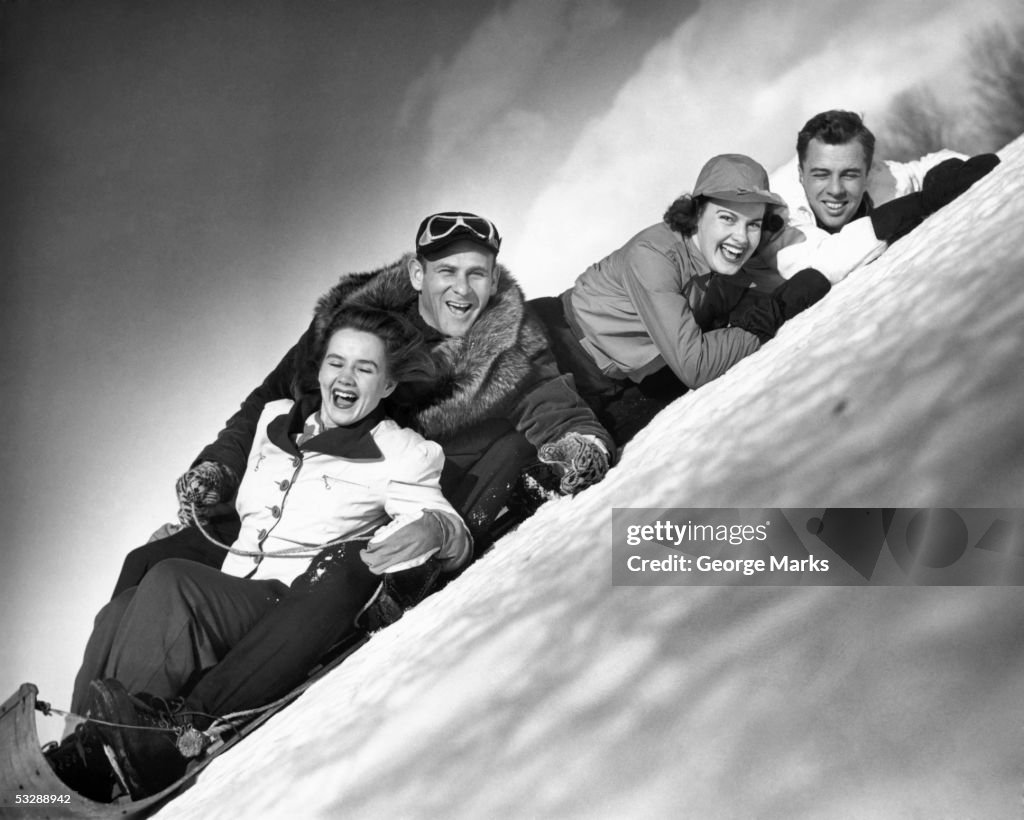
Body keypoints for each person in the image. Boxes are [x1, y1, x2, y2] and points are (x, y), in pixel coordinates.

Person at [47, 306, 473, 801]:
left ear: (388, 386)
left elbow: (448, 524)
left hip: (283, 602)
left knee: (173, 583)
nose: (347, 378)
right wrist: (196, 520)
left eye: (366, 368)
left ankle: (137, 753)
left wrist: (437, 529)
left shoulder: (401, 452)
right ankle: (77, 753)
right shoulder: (272, 422)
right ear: (319, 369)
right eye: (337, 362)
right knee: (122, 605)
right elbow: (254, 504)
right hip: (230, 582)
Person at [113, 211, 613, 598]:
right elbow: (268, 400)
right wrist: (218, 469)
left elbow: (555, 407)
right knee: (148, 562)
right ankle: (86, 725)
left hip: (370, 508)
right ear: (417, 274)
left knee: (200, 589)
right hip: (292, 488)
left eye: (477, 274)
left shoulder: (508, 343)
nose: (462, 290)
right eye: (446, 271)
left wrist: (579, 445)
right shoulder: (347, 325)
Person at [529, 154, 830, 445]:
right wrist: (774, 312)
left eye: (753, 224)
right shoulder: (654, 255)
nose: (741, 237)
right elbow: (696, 365)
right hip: (553, 346)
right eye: (727, 218)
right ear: (697, 213)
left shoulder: (726, 260)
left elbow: (806, 269)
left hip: (625, 376)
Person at [762, 109, 1001, 283]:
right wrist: (913, 207)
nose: (835, 189)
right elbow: (819, 266)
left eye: (850, 175)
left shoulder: (879, 176)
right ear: (801, 174)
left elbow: (920, 170)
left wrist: (944, 173)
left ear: (867, 174)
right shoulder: (775, 208)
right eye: (821, 174)